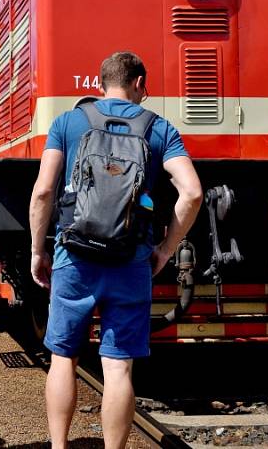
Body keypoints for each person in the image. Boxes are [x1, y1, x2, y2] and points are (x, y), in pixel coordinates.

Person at [28, 51, 202, 449]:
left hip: (74, 256)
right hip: (131, 258)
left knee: (63, 357)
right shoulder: (159, 129)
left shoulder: (68, 122)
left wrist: (39, 250)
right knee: (118, 367)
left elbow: (42, 192)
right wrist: (165, 249)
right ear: (139, 83)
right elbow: (192, 192)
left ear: (100, 81)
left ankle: (58, 446)